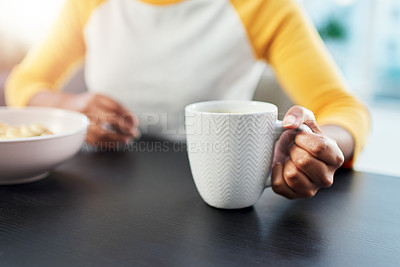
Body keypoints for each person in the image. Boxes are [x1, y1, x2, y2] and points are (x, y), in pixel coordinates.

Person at [5, 0, 370, 199]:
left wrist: (315, 146)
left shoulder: (265, 7)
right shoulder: (88, 4)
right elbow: (26, 81)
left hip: (216, 191)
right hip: (102, 190)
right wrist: (72, 107)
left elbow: (343, 106)